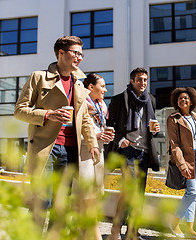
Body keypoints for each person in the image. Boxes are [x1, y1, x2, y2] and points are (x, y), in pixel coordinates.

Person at [14, 36, 101, 229]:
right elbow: (19, 110)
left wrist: (93, 143)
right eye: (75, 52)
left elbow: (84, 118)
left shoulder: (79, 83)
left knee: (61, 206)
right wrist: (48, 115)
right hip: (46, 148)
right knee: (41, 202)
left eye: (81, 53)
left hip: (70, 150)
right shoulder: (39, 77)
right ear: (61, 53)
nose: (79, 57)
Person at [106, 67, 160, 240]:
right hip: (127, 151)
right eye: (139, 79)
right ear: (132, 81)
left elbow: (150, 125)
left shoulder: (150, 99)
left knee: (139, 194)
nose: (142, 83)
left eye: (145, 79)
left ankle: (132, 231)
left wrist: (156, 129)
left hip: (144, 152)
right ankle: (116, 229)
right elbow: (109, 125)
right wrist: (121, 140)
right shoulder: (120, 99)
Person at [167, 87, 196, 240]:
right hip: (186, 160)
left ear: (192, 101)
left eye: (186, 98)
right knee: (191, 192)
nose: (183, 100)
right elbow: (175, 145)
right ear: (176, 102)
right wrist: (182, 164)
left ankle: (190, 229)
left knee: (193, 193)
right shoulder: (173, 118)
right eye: (180, 98)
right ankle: (174, 222)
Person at [79, 73, 115, 239]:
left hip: (98, 153)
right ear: (91, 87)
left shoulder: (102, 106)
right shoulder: (81, 102)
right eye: (102, 86)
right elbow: (75, 130)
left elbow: (99, 127)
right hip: (83, 154)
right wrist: (96, 137)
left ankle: (81, 232)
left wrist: (105, 136)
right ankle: (95, 234)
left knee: (95, 195)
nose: (105, 90)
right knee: (87, 196)